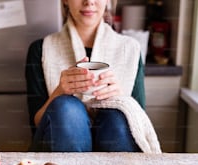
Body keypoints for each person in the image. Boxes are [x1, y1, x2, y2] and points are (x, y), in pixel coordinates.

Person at [25, 0, 145, 152]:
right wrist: (59, 91)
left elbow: (140, 122)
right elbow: (36, 122)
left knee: (118, 115)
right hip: (58, 143)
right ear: (65, 1)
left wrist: (120, 97)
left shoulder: (130, 50)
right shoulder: (41, 50)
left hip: (114, 136)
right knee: (66, 108)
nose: (89, 2)